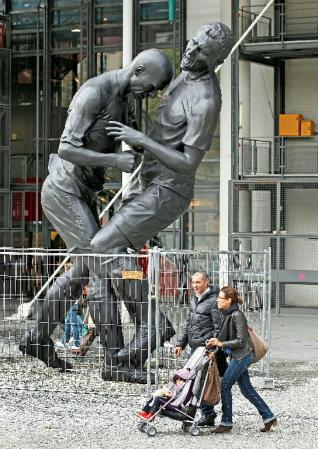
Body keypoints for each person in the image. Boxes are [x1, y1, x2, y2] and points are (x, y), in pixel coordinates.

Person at [19, 49, 174, 379]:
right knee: (102, 270)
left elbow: (139, 142)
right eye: (153, 86)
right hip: (63, 191)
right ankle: (114, 363)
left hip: (83, 194)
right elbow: (65, 147)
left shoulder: (127, 100)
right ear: (139, 70)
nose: (153, 93)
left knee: (81, 272)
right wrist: (114, 162)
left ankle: (37, 337)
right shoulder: (94, 92)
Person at [91, 22, 234, 372]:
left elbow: (187, 162)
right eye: (192, 42)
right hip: (149, 182)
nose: (190, 52)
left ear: (217, 60)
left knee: (103, 246)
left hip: (168, 190)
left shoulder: (206, 99)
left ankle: (154, 326)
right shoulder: (185, 73)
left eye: (201, 52)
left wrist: (140, 140)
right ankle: (129, 348)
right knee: (109, 254)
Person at [206, 286, 277, 433]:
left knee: (225, 385)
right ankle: (269, 417)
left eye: (220, 298)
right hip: (238, 356)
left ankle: (226, 423)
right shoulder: (226, 314)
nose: (217, 300)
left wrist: (220, 343)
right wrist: (216, 344)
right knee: (247, 389)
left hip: (242, 356)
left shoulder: (237, 315)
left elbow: (241, 341)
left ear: (229, 300)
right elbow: (224, 338)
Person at [175, 272, 221, 427]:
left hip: (204, 350)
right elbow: (188, 324)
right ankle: (202, 413)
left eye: (198, 282)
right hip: (193, 348)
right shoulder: (195, 299)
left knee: (200, 384)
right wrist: (180, 344)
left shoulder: (214, 301)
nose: (195, 285)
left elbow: (218, 328)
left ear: (206, 282)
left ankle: (207, 414)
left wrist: (212, 350)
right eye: (193, 282)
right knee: (191, 381)